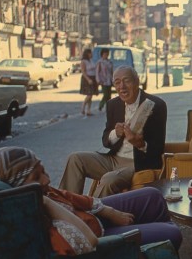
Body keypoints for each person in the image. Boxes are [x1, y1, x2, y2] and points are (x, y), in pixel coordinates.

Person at [0, 146, 182, 256]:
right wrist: (47, 203)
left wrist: (106, 210)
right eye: (36, 177)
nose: (46, 179)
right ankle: (149, 257)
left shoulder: (37, 192)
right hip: (99, 239)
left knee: (152, 196)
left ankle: (154, 247)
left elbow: (70, 196)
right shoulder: (36, 213)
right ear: (17, 188)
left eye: (42, 170)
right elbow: (89, 242)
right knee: (172, 233)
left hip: (94, 219)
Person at [60, 65, 167, 197]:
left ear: (137, 81)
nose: (122, 86)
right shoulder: (113, 104)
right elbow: (106, 140)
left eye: (126, 81)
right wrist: (115, 134)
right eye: (117, 82)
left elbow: (158, 148)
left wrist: (140, 144)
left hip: (136, 163)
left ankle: (93, 212)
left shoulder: (156, 105)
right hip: (113, 159)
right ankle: (67, 205)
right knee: (75, 158)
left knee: (108, 179)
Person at [79, 48, 98, 117]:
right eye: (90, 53)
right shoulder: (83, 61)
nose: (91, 54)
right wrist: (88, 79)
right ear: (87, 54)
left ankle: (88, 110)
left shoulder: (91, 60)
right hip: (87, 78)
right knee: (89, 94)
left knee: (91, 95)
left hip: (93, 77)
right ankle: (83, 106)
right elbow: (83, 72)